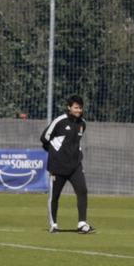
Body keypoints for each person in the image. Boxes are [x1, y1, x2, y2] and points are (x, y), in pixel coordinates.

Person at [41, 97, 91, 233]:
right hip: (58, 166)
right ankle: (54, 225)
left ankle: (82, 224)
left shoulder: (83, 123)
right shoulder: (59, 121)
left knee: (82, 190)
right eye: (76, 107)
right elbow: (44, 138)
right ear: (69, 107)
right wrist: (54, 153)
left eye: (80, 108)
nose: (78, 110)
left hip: (75, 166)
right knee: (55, 196)